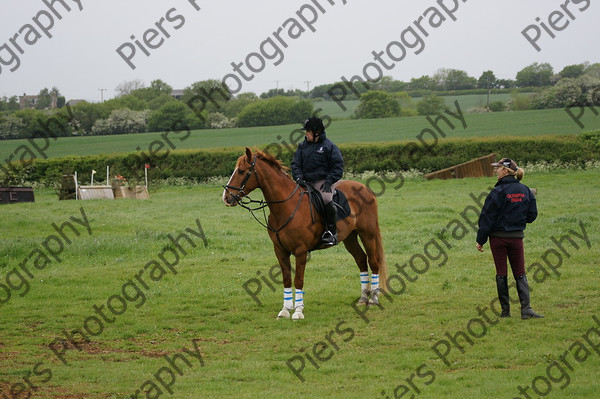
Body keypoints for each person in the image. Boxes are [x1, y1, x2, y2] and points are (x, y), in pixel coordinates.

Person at [476, 158, 543, 319]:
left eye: (497, 168)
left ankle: (505, 311)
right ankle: (526, 309)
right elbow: (532, 215)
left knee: (501, 273)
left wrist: (481, 239)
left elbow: (486, 218)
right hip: (516, 238)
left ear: (505, 171)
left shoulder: (497, 192)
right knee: (520, 273)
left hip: (498, 240)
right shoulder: (525, 190)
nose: (495, 171)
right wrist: (518, 221)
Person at [292, 116, 344, 246]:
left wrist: (329, 181)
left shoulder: (329, 146)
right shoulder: (302, 146)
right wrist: (298, 177)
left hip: (323, 182)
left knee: (326, 199)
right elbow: (295, 164)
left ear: (317, 132)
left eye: (308, 131)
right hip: (304, 182)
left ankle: (331, 233)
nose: (306, 134)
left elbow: (338, 166)